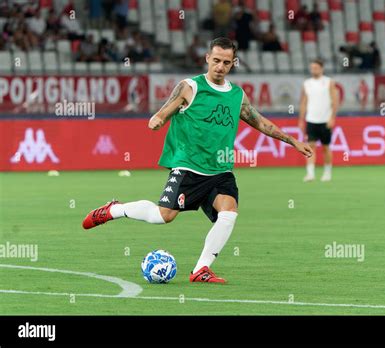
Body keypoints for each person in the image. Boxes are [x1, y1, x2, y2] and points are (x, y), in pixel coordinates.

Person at [82, 37, 313, 283]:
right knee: (163, 216)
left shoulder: (236, 95)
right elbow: (164, 111)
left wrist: (292, 140)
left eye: (226, 62)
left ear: (233, 63)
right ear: (207, 58)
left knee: (229, 212)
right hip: (189, 166)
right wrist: (157, 119)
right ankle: (115, 210)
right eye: (216, 60)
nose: (220, 67)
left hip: (220, 169)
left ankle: (201, 269)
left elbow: (260, 122)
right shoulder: (190, 87)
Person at [298, 59, 339, 182]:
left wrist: (332, 118)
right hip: (311, 119)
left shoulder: (329, 82)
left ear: (321, 68)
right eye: (312, 68)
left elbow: (335, 101)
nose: (313, 70)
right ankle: (310, 173)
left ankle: (327, 172)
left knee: (326, 147)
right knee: (310, 146)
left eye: (316, 68)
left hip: (325, 120)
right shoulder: (307, 83)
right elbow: (303, 102)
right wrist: (301, 119)